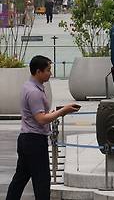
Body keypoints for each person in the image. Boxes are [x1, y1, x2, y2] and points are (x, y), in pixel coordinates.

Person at [6, 55, 80, 200]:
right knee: (41, 180)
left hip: (26, 138)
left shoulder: (29, 86)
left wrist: (53, 113)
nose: (50, 73)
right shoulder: (34, 92)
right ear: (38, 72)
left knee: (20, 178)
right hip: (34, 140)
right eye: (48, 70)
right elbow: (41, 119)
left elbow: (39, 115)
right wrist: (62, 111)